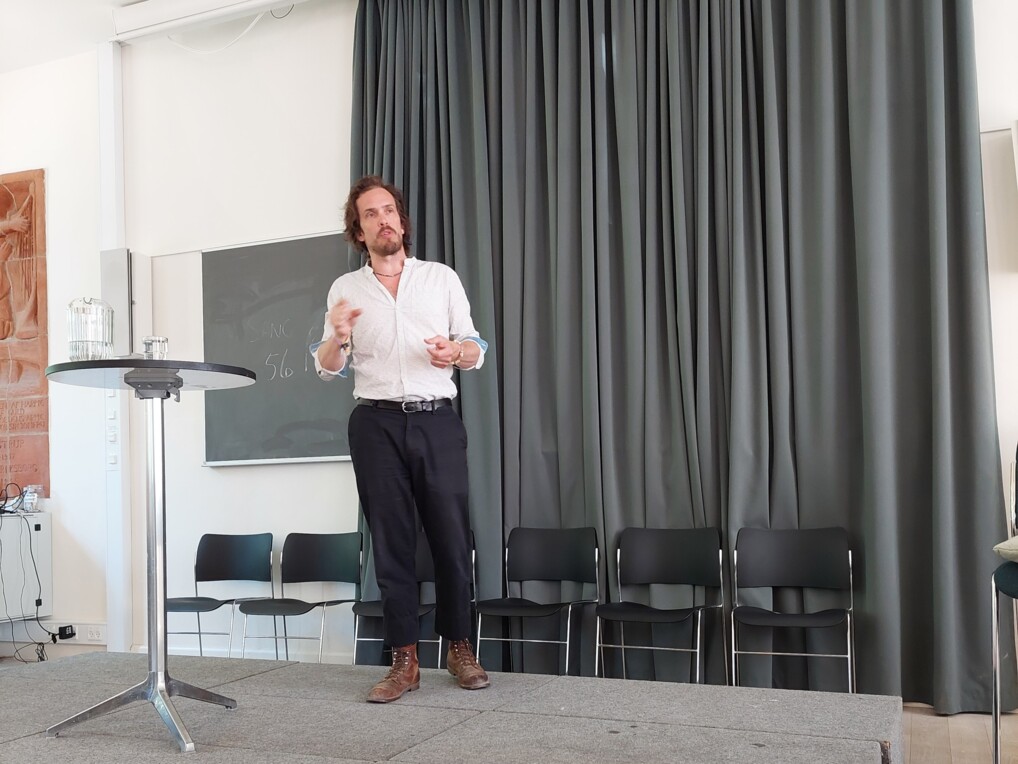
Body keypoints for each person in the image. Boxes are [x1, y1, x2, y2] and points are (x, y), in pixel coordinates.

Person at [315, 175, 489, 703]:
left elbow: (475, 345)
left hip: (437, 420)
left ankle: (459, 648)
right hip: (376, 424)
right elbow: (328, 366)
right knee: (390, 543)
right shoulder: (345, 290)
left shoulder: (440, 278)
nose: (383, 220)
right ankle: (404, 660)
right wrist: (336, 337)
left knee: (451, 539)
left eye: (388, 210)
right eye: (370, 214)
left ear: (401, 220)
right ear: (359, 231)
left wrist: (456, 353)